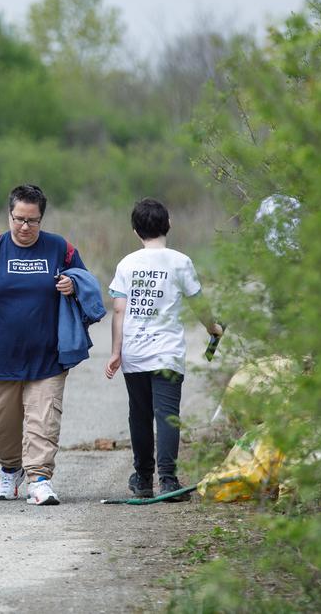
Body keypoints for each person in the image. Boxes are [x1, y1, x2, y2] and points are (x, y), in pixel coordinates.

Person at [0, 184, 88, 506]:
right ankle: (10, 468)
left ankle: (39, 479)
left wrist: (72, 284)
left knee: (43, 419)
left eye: (33, 221)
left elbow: (85, 285)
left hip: (48, 355)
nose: (25, 227)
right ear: (9, 215)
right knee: (0, 420)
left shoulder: (60, 249)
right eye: (19, 219)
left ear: (41, 218)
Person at [104, 198, 223, 501]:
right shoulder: (180, 261)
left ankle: (142, 479)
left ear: (135, 230)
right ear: (168, 224)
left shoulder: (127, 264)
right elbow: (198, 303)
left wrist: (116, 351)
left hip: (135, 352)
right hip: (167, 353)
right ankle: (168, 481)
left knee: (139, 415)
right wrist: (213, 329)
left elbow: (119, 310)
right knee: (167, 415)